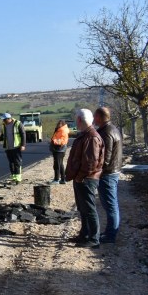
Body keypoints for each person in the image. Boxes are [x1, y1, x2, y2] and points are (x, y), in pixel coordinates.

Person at [65, 108, 104, 248]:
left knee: (89, 208)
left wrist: (80, 177)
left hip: (87, 179)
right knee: (82, 208)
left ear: (80, 120)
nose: (76, 122)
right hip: (82, 178)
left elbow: (91, 162)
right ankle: (85, 234)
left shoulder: (92, 137)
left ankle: (94, 239)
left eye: (77, 119)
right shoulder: (86, 135)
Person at [94, 106, 123, 244]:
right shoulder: (113, 129)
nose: (94, 119)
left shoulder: (106, 132)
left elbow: (106, 156)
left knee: (110, 205)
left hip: (108, 173)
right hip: (112, 171)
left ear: (99, 117)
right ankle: (110, 232)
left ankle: (111, 235)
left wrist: (98, 169)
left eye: (95, 116)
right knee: (111, 204)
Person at [0, 113, 26, 184]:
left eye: (4, 120)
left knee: (17, 162)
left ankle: (18, 178)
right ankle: (13, 177)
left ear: (8, 119)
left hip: (16, 146)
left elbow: (23, 134)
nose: (3, 121)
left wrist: (23, 145)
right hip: (8, 147)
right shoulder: (4, 125)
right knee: (11, 163)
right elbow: (2, 136)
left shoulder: (18, 123)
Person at [50, 119, 70, 184]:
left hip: (59, 149)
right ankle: (63, 179)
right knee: (60, 164)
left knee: (57, 165)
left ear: (62, 124)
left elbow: (63, 141)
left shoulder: (63, 131)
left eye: (59, 123)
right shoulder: (59, 130)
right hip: (58, 149)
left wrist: (54, 141)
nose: (58, 124)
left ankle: (56, 179)